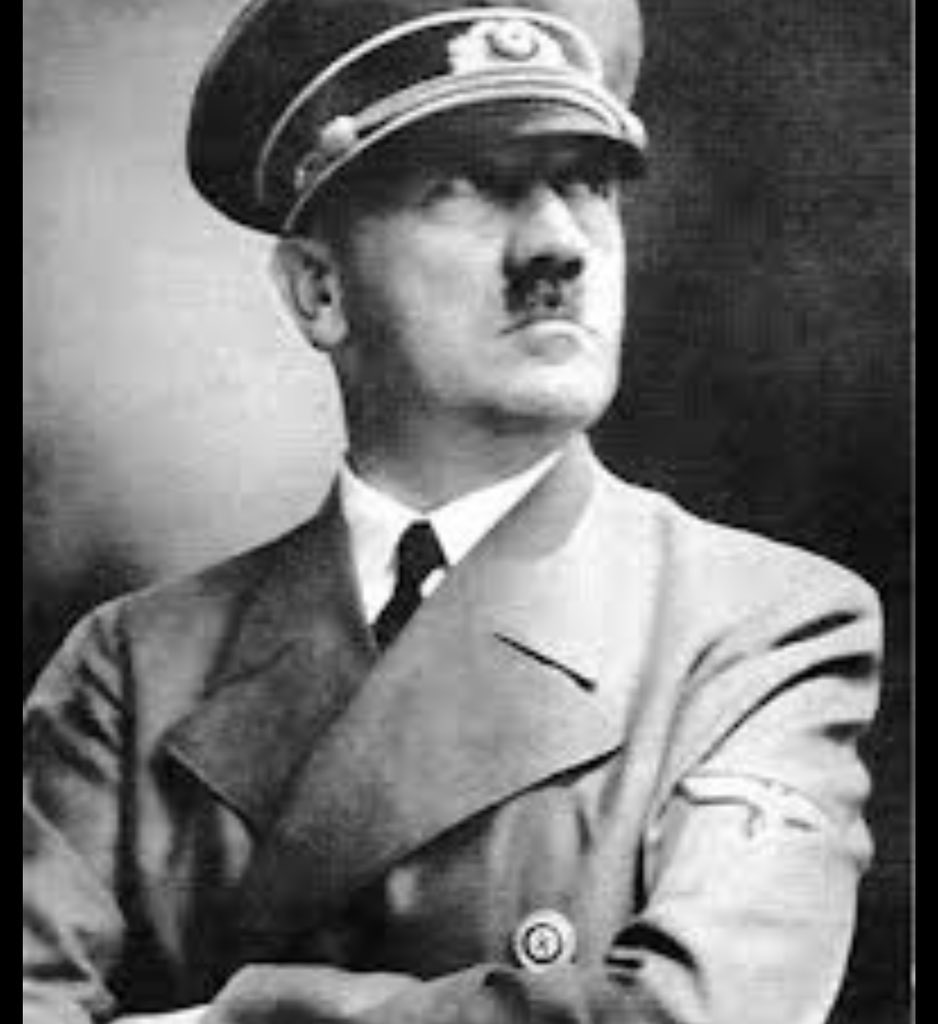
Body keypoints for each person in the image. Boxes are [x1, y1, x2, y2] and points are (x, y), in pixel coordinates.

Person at [22, 1, 883, 1022]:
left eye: (587, 184)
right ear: (318, 291)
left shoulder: (758, 627)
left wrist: (243, 1018)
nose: (558, 245)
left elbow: (701, 1011)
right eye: (465, 186)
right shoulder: (131, 670)